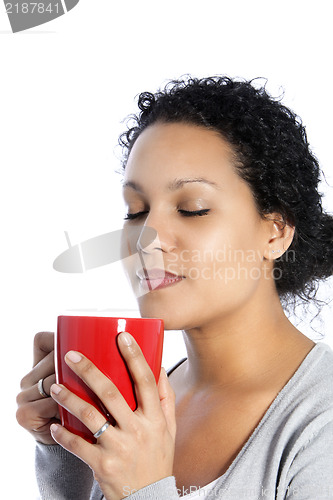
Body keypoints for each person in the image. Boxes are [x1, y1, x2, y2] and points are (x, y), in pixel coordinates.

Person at [16, 76, 333, 500]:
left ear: (275, 233)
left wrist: (142, 489)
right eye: (136, 211)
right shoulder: (134, 403)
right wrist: (64, 446)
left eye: (192, 209)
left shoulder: (320, 420)